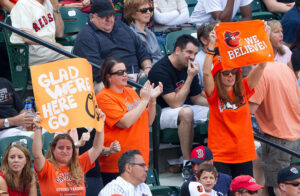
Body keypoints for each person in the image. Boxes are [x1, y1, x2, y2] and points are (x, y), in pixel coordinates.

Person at [202, 30, 267, 178]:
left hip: (244, 153)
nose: (230, 75)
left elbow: (261, 66)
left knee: (244, 193)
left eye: (233, 72)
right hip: (221, 155)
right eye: (226, 73)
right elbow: (206, 73)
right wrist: (211, 46)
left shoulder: (244, 88)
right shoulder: (214, 93)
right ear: (219, 75)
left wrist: (265, 38)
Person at [148, 34, 209, 179]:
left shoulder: (187, 66)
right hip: (160, 112)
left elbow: (195, 97)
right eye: (189, 52)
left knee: (215, 112)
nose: (192, 57)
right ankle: (187, 163)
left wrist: (217, 104)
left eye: (194, 53)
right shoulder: (160, 70)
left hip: (184, 106)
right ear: (177, 50)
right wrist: (189, 77)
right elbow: (175, 103)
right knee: (186, 112)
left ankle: (214, 159)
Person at [96, 57, 162, 185]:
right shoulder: (103, 97)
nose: (125, 74)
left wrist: (152, 100)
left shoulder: (130, 92)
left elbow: (147, 121)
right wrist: (144, 100)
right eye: (120, 72)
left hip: (139, 159)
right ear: (109, 77)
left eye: (125, 71)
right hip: (117, 165)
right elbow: (125, 122)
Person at [73, 0, 152, 90]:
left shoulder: (121, 26)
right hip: (108, 80)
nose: (109, 20)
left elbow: (141, 50)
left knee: (159, 78)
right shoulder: (86, 36)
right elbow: (96, 68)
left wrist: (147, 68)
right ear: (92, 17)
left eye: (111, 15)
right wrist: (120, 77)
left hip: (137, 75)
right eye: (104, 16)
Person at [249, 60, 300, 195]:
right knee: (257, 161)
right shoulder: (285, 68)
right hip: (293, 133)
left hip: (278, 139)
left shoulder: (259, 73)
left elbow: (250, 108)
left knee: (280, 188)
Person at [32, 110, 105, 196]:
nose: (64, 151)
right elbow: (37, 155)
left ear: (73, 150)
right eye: (60, 147)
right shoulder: (46, 167)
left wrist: (100, 125)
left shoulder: (79, 164)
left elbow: (97, 148)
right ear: (53, 149)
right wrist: (38, 128)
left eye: (68, 148)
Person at [9, 0, 72, 66]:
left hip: (48, 49)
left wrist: (56, 10)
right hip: (28, 51)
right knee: (76, 52)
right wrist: (55, 45)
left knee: (78, 50)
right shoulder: (23, 4)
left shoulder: (49, 2)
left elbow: (59, 34)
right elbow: (27, 38)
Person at [124, 0, 163, 65]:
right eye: (144, 10)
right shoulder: (130, 34)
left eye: (150, 9)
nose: (148, 12)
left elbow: (159, 56)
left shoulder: (151, 33)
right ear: (133, 14)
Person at [195, 21, 218, 89]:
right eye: (214, 37)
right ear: (204, 40)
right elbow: (198, 91)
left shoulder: (228, 54)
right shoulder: (196, 60)